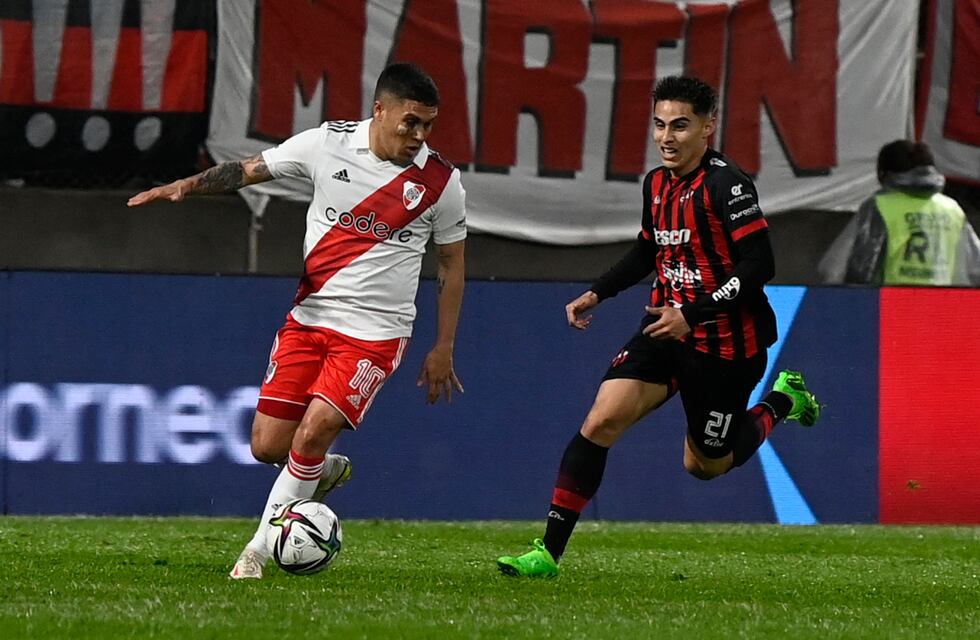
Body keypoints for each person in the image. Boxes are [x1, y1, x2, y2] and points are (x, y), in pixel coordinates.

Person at [128, 63, 467, 579]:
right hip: (308, 320)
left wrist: (443, 344)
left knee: (312, 434)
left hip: (375, 334)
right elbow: (247, 170)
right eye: (410, 123)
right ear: (379, 110)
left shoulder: (441, 182)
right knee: (268, 446)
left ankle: (256, 553)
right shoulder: (325, 145)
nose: (418, 136)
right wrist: (184, 186)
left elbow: (451, 263)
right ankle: (321, 474)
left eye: (427, 126)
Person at [496, 76, 820, 578]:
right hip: (664, 329)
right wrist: (599, 291)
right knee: (601, 421)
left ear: (708, 127)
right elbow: (650, 248)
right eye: (659, 124)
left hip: (725, 344)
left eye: (681, 125)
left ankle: (782, 402)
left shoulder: (727, 186)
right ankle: (547, 554)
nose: (667, 137)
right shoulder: (656, 183)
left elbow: (760, 264)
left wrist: (692, 314)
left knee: (706, 465)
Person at [818, 139, 980, 286]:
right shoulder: (953, 210)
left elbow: (832, 269)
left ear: (884, 174)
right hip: (942, 310)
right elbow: (975, 270)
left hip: (891, 307)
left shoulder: (879, 206)